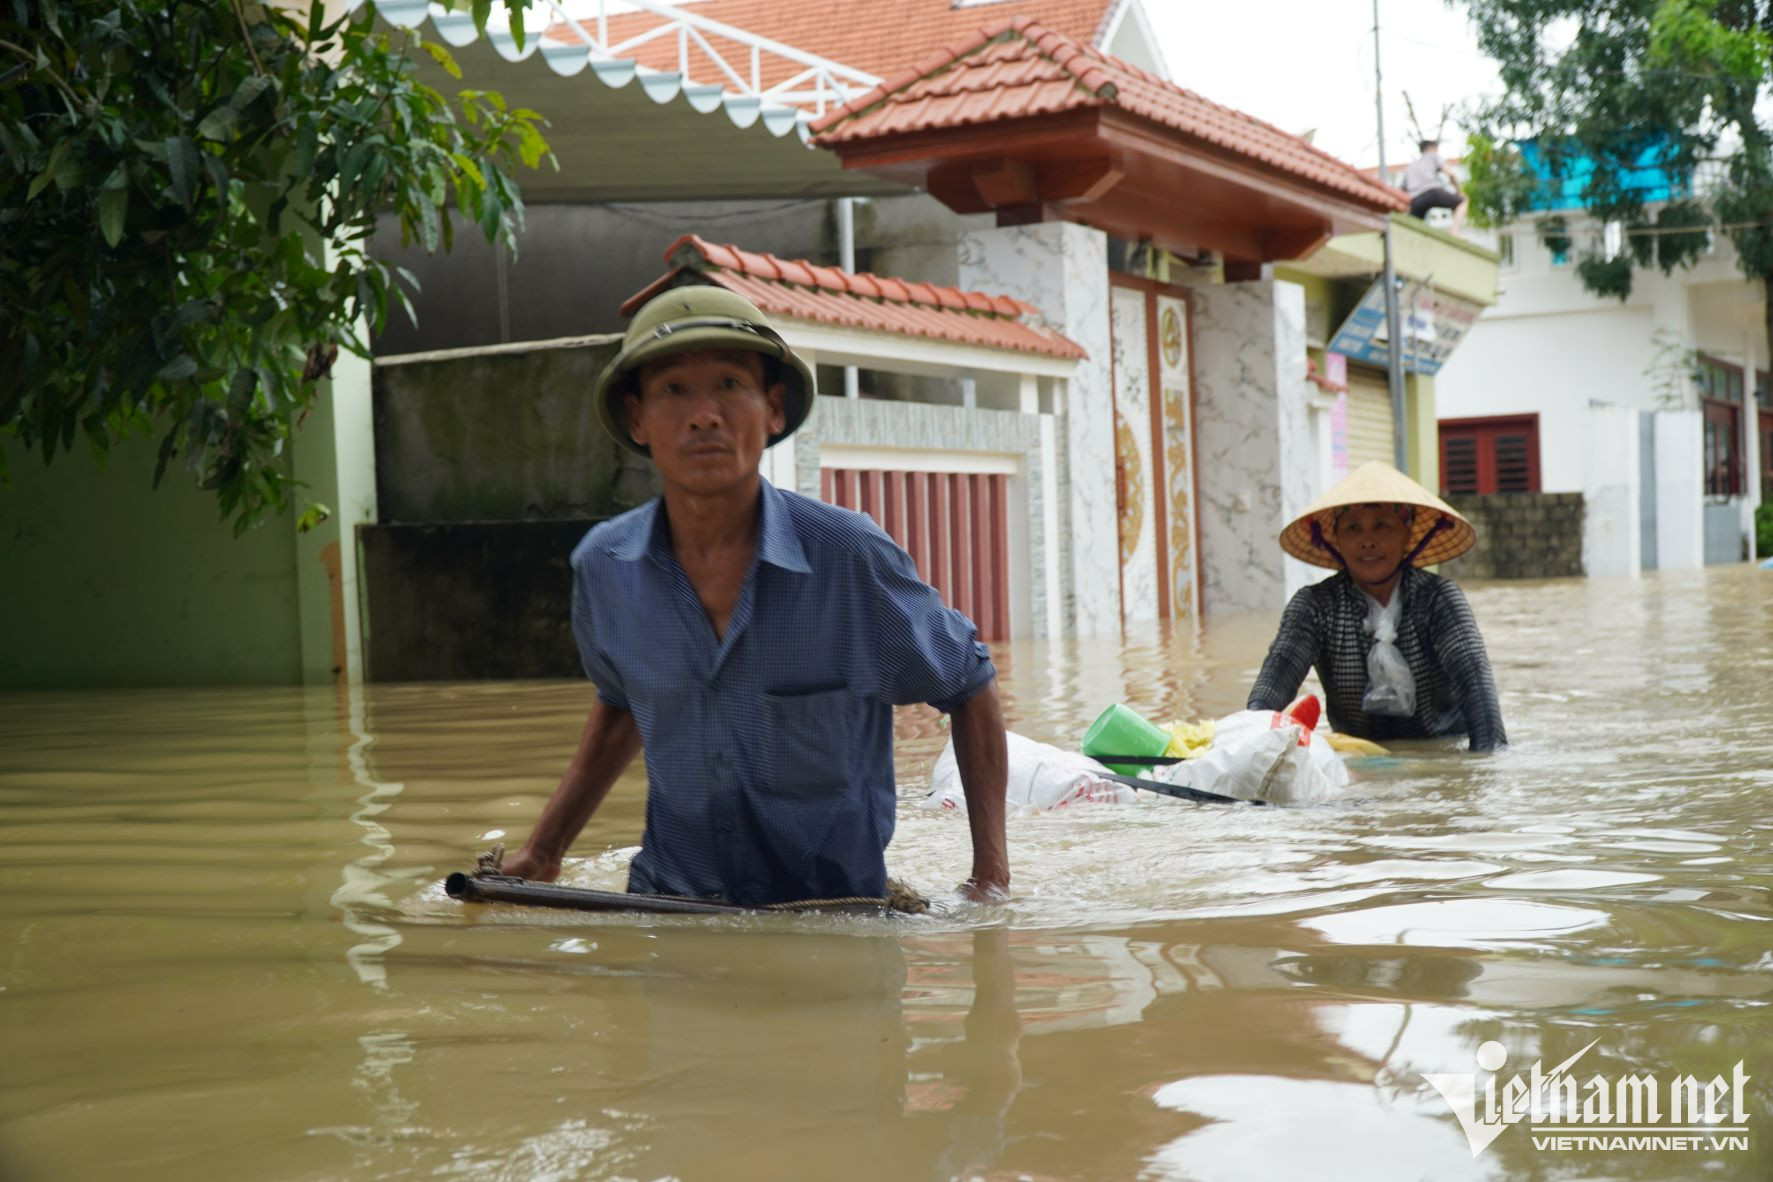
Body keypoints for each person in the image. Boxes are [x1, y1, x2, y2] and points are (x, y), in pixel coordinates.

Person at [500, 285, 1011, 904]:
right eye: (673, 390)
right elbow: (622, 705)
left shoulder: (847, 558)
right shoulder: (604, 568)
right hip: (671, 907)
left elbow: (969, 683)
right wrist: (544, 851)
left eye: (729, 385)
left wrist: (991, 881)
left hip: (835, 915)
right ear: (638, 419)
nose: (704, 414)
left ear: (772, 409)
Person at [1248, 461, 1506, 751]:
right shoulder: (1315, 607)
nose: (1367, 541)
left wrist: (1484, 769)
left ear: (1406, 535)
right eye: (1353, 528)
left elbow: (1477, 691)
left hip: (1441, 750)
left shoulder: (1438, 599)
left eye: (1382, 526)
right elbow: (1271, 691)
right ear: (1337, 540)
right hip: (1359, 759)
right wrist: (1246, 744)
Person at [1402, 138, 1466, 232]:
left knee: (1413, 226)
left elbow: (1402, 189)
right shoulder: (1433, 156)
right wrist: (1459, 191)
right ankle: (1455, 232)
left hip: (1414, 199)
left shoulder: (1411, 166)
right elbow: (1451, 174)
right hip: (1432, 193)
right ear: (1431, 148)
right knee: (1462, 202)